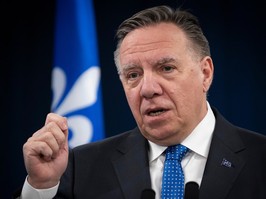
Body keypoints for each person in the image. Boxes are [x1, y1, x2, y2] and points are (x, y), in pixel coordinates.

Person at [14, 5, 266, 199]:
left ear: (205, 73)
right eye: (133, 75)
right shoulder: (79, 167)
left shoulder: (260, 158)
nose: (147, 89)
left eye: (166, 68)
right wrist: (41, 187)